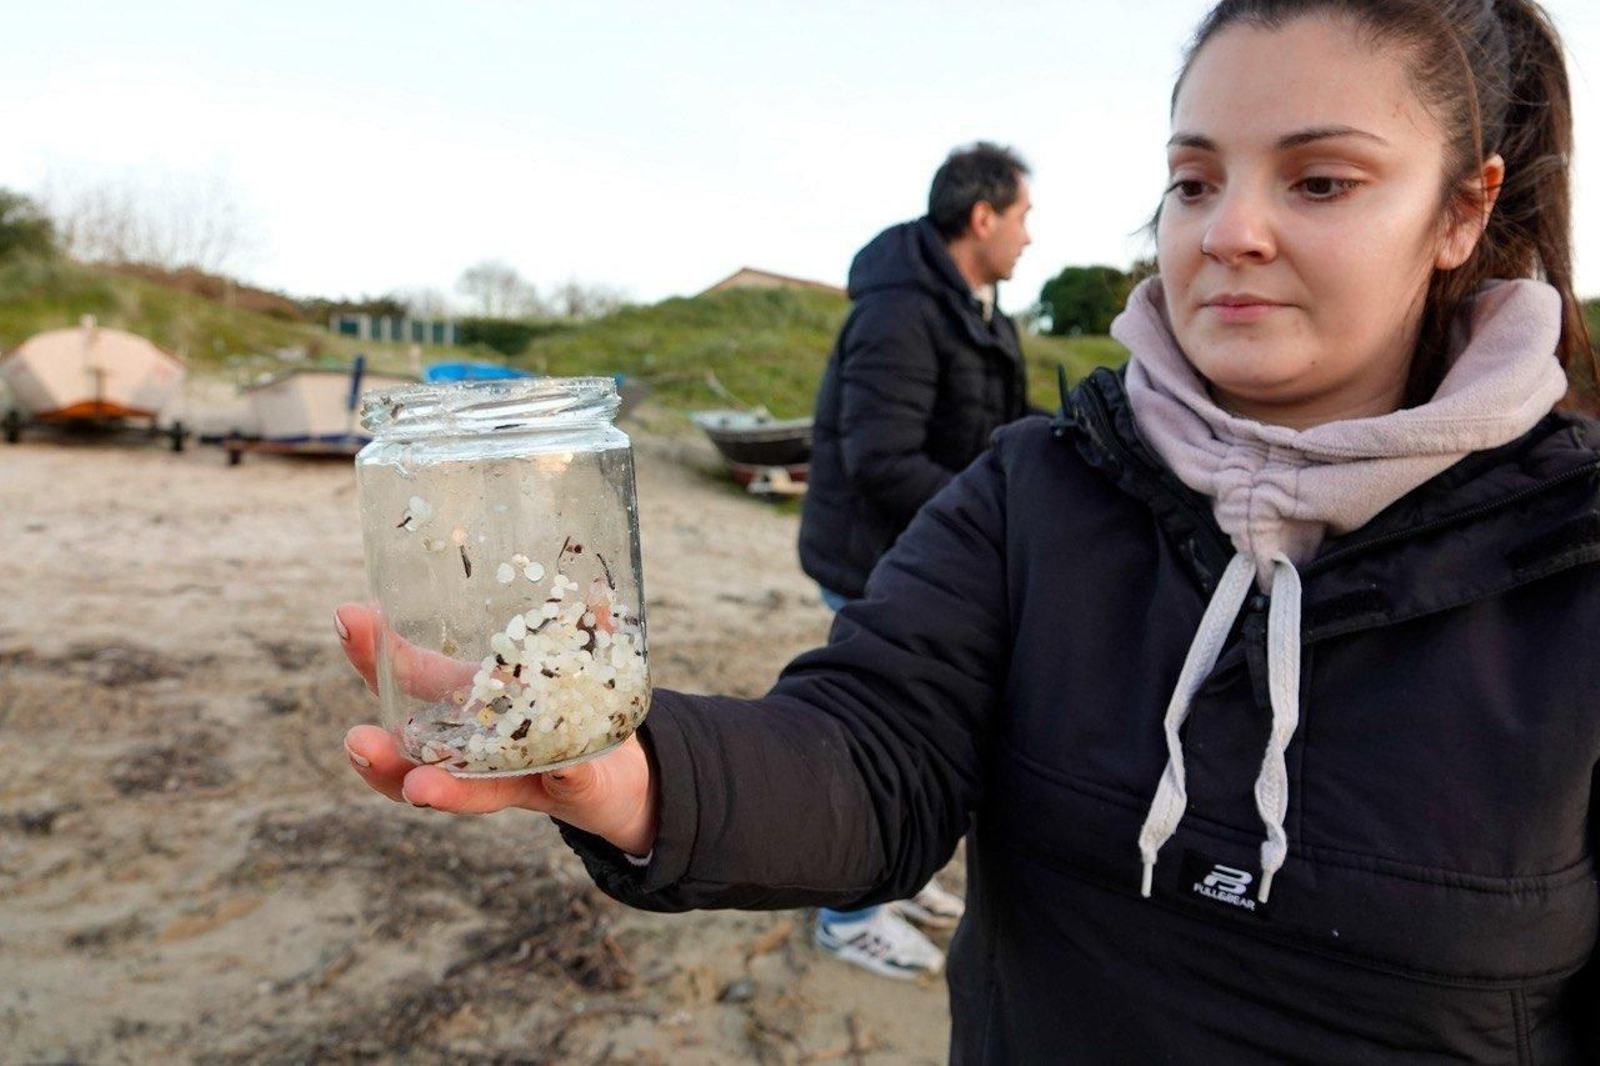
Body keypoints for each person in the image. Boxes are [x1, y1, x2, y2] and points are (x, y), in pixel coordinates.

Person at [337, 0, 1600, 1058]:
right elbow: (870, 754)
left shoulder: (1572, 552)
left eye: (1319, 180)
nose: (1228, 232)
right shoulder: (1038, 491)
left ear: (1460, 213)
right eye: (1192, 179)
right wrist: (640, 775)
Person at [798, 142, 1035, 977]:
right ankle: (848, 911)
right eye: (1023, 217)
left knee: (955, 736)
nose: (1029, 238)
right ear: (982, 217)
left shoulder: (978, 312)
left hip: (938, 561)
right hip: (880, 565)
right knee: (894, 737)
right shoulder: (898, 312)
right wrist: (997, 520)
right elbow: (881, 460)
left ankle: (895, 882)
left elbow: (1004, 426)